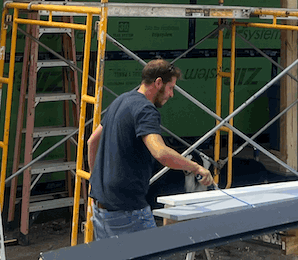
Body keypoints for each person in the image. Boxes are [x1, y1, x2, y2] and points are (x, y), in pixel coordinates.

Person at [87, 59, 215, 239]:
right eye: (171, 88)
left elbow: (92, 141)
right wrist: (196, 167)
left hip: (101, 208)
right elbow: (160, 152)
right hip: (127, 211)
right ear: (158, 83)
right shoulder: (145, 110)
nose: (171, 94)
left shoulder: (121, 100)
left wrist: (95, 181)